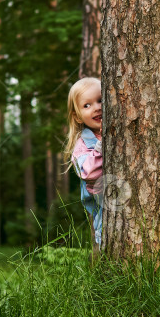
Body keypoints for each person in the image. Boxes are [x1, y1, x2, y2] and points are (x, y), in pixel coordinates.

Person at [63, 77, 104, 246]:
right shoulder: (82, 146)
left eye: (100, 100)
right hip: (104, 208)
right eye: (87, 105)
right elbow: (89, 173)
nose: (97, 108)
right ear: (78, 117)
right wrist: (102, 145)